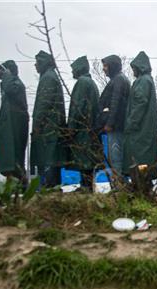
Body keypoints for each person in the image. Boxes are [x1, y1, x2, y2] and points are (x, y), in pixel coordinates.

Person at [30, 51, 66, 188]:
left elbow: (44, 104)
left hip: (48, 128)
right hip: (50, 126)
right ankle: (51, 185)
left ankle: (49, 187)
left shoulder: (48, 78)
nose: (35, 65)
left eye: (38, 62)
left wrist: (37, 124)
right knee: (50, 158)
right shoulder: (50, 76)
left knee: (47, 158)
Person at [124, 52, 157, 178]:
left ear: (140, 67)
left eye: (134, 68)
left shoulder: (143, 81)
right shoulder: (148, 80)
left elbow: (140, 103)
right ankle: (144, 189)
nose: (133, 71)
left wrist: (130, 123)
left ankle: (141, 190)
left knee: (139, 163)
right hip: (145, 129)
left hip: (140, 131)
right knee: (144, 164)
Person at [67, 56, 100, 190]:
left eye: (73, 69)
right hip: (90, 128)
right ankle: (86, 185)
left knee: (84, 159)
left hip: (82, 129)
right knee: (88, 158)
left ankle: (85, 186)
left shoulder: (82, 82)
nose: (72, 72)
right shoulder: (91, 82)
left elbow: (77, 107)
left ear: (79, 69)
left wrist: (71, 128)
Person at [97, 55, 130, 176]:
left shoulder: (119, 80)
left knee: (116, 158)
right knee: (117, 157)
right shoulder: (119, 79)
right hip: (117, 126)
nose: (104, 69)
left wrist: (109, 123)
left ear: (113, 66)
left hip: (116, 127)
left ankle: (119, 187)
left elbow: (115, 103)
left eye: (105, 66)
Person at [0, 60, 28, 181]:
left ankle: (19, 182)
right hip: (9, 127)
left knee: (14, 158)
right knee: (9, 159)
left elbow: (10, 89)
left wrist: (7, 75)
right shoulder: (9, 84)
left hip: (14, 128)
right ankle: (14, 182)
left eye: (1, 69)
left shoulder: (16, 85)